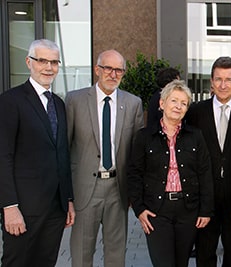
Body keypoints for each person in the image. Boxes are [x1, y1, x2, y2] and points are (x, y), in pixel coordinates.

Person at [65, 49, 144, 267]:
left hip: (118, 189)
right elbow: (64, 148)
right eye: (108, 68)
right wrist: (66, 193)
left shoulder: (133, 103)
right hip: (84, 188)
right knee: (81, 251)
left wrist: (135, 191)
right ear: (97, 70)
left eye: (119, 70)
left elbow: (137, 153)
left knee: (116, 253)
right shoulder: (75, 100)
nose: (113, 74)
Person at [0, 39, 75, 266]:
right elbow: (3, 156)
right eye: (42, 61)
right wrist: (9, 207)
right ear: (28, 62)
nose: (48, 67)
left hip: (55, 208)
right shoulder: (10, 101)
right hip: (24, 208)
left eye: (54, 62)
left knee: (46, 262)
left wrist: (68, 199)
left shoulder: (59, 104)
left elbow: (62, 155)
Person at [128, 79, 213, 267]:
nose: (178, 106)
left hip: (188, 209)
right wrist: (139, 209)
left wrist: (206, 210)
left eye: (184, 103)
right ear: (162, 103)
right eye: (174, 101)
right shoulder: (144, 136)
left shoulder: (196, 136)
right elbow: (134, 174)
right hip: (157, 210)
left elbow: (205, 173)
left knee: (181, 263)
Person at [185, 56, 231, 267]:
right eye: (218, 79)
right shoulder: (196, 111)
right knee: (205, 250)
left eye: (228, 79)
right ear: (211, 82)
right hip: (205, 192)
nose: (223, 85)